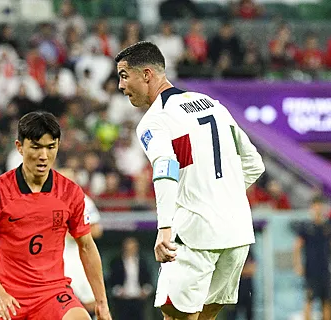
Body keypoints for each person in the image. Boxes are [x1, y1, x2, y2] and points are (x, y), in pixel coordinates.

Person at [114, 41, 265, 320]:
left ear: (146, 74)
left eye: (124, 75)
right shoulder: (213, 105)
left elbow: (166, 165)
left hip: (193, 235)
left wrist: (165, 227)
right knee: (205, 316)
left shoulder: (154, 120)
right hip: (237, 232)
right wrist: (219, 195)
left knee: (176, 316)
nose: (121, 86)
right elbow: (254, 164)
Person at [0, 111, 111, 320]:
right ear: (20, 147)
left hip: (52, 293)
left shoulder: (70, 192)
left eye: (50, 147)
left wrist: (101, 303)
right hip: (7, 292)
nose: (43, 156)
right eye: (36, 147)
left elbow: (87, 246)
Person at [56, 168, 104, 316]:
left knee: (90, 304)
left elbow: (97, 230)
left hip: (78, 259)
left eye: (69, 179)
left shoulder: (82, 200)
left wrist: (74, 233)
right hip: (55, 261)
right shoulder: (46, 200)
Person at [293, 196, 331, 320]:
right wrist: (298, 265)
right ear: (311, 208)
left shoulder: (330, 225)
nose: (318, 209)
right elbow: (297, 246)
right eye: (316, 206)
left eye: (321, 206)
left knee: (327, 301)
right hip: (311, 270)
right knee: (309, 300)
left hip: (325, 269)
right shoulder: (306, 226)